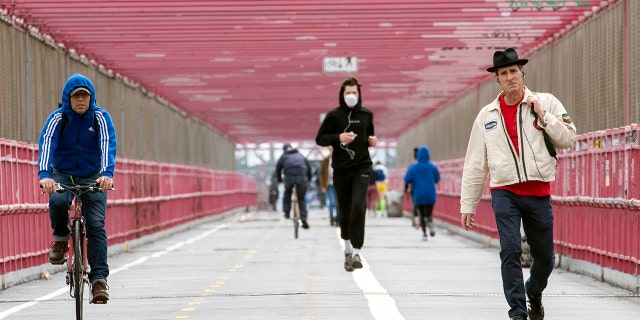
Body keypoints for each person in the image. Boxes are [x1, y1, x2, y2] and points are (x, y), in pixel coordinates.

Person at [460, 48, 576, 320]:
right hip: (505, 192)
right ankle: (517, 311)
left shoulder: (546, 101)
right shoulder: (487, 116)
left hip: (538, 192)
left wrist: (544, 116)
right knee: (510, 249)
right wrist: (469, 204)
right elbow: (476, 163)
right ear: (497, 80)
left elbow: (569, 137)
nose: (510, 77)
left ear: (522, 73)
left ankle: (533, 292)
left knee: (546, 258)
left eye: (514, 71)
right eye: (504, 73)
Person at [38, 73, 117, 304]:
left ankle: (99, 280)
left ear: (91, 98)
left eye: (85, 96)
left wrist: (106, 174)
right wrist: (45, 176)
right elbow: (47, 144)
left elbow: (107, 145)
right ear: (68, 98)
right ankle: (61, 239)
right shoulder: (58, 118)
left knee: (95, 226)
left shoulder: (100, 118)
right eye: (76, 96)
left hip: (93, 175)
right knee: (59, 201)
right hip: (64, 173)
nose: (81, 100)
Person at [316, 77, 377, 272]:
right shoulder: (334, 116)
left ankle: (358, 252)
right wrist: (338, 138)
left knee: (359, 207)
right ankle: (348, 251)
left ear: (359, 94)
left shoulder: (367, 115)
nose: (351, 96)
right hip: (341, 169)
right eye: (348, 93)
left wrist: (372, 142)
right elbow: (320, 138)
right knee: (345, 211)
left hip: (362, 167)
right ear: (342, 95)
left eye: (355, 93)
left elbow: (369, 137)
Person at [403, 146, 440, 241]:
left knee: (421, 215)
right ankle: (430, 223)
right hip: (430, 194)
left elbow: (407, 179)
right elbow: (437, 179)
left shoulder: (413, 167)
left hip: (418, 194)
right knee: (429, 213)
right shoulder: (432, 166)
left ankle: (424, 234)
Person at [275, 143, 312, 229]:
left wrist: (279, 180)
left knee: (287, 193)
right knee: (301, 198)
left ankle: (287, 212)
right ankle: (303, 217)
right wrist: (309, 179)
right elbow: (309, 168)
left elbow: (278, 168)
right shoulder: (300, 155)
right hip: (301, 177)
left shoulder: (284, 156)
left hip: (289, 177)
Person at [319, 146, 339, 226]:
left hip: (338, 185)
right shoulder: (326, 160)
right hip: (329, 184)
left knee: (338, 203)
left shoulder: (340, 159)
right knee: (332, 202)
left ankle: (338, 219)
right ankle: (331, 217)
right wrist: (323, 186)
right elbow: (322, 174)